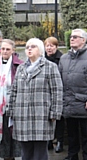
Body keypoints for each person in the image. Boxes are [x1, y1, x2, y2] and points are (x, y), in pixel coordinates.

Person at [7, 38, 63, 160]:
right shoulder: (21, 68)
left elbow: (57, 91)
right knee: (25, 151)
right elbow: (14, 91)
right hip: (22, 115)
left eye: (33, 46)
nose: (29, 49)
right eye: (27, 47)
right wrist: (10, 111)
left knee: (39, 151)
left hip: (41, 115)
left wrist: (55, 113)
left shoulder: (50, 67)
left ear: (41, 50)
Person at [0, 39, 22, 160]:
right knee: (0, 139)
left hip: (12, 104)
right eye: (2, 49)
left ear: (13, 50)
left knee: (10, 136)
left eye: (8, 49)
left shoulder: (19, 65)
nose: (5, 51)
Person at [59, 29, 87, 160]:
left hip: (83, 103)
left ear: (83, 40)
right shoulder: (64, 58)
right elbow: (59, 80)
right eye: (71, 37)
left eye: (75, 37)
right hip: (69, 103)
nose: (72, 39)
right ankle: (72, 156)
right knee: (71, 134)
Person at [44, 36, 64, 153]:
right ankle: (49, 141)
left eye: (52, 46)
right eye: (47, 45)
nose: (49, 48)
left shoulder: (61, 59)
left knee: (59, 118)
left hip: (57, 91)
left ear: (56, 47)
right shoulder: (41, 59)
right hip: (45, 92)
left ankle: (60, 140)